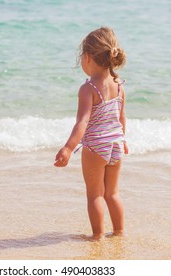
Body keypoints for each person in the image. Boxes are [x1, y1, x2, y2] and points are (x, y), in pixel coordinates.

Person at [54, 27, 128, 239]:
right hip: (115, 144)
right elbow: (121, 117)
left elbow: (82, 122)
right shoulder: (119, 85)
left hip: (96, 147)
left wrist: (68, 148)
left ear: (87, 58)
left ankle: (97, 236)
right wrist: (123, 140)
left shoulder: (88, 89)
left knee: (95, 194)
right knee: (112, 193)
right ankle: (120, 231)